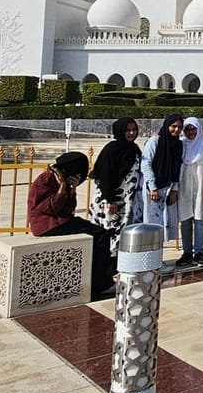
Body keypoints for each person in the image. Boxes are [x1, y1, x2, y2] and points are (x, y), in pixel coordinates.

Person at [28, 151, 116, 298]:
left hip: (61, 220)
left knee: (101, 233)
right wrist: (62, 187)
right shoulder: (46, 179)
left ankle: (99, 276)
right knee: (99, 237)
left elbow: (69, 209)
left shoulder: (65, 179)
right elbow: (51, 209)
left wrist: (72, 188)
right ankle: (101, 284)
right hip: (47, 225)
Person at [88, 117, 141, 257]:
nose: (131, 133)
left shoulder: (134, 149)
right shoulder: (111, 149)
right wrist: (110, 200)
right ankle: (105, 262)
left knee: (120, 231)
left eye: (134, 130)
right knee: (108, 230)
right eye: (127, 130)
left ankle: (115, 261)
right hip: (110, 198)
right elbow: (106, 176)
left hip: (125, 200)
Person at [175, 116, 203, 268]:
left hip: (201, 187)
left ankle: (199, 252)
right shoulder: (181, 145)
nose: (190, 132)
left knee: (200, 221)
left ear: (198, 129)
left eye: (193, 129)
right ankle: (187, 252)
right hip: (184, 188)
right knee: (185, 221)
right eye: (187, 129)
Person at [140, 114, 184, 245]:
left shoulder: (178, 145)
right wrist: (153, 187)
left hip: (168, 188)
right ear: (167, 126)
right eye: (173, 126)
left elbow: (177, 168)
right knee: (153, 225)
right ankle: (152, 260)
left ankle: (159, 259)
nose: (176, 130)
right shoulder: (154, 142)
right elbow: (146, 164)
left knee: (164, 225)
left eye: (179, 127)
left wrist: (174, 190)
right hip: (154, 189)